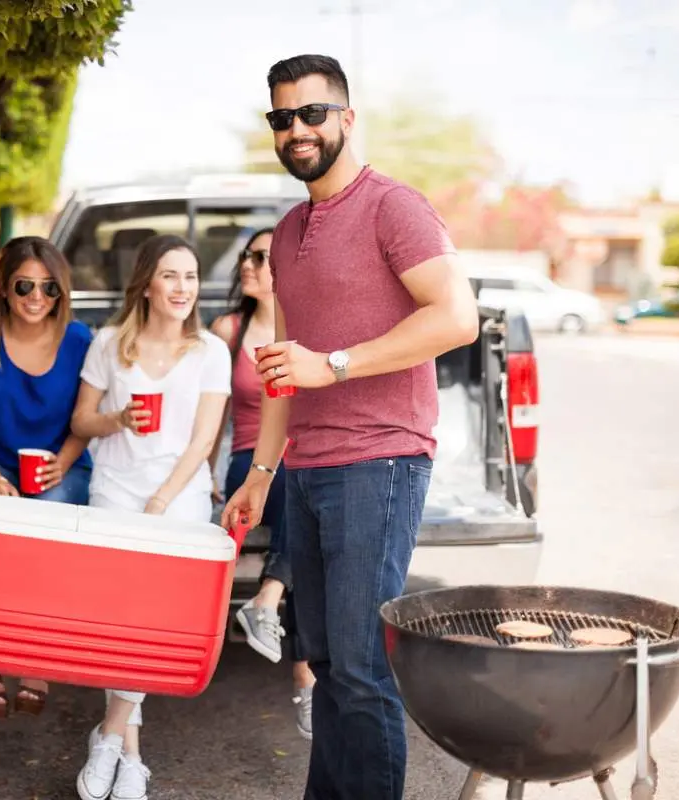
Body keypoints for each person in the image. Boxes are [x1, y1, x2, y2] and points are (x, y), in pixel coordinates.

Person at [221, 55, 479, 800]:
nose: (296, 129)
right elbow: (281, 370)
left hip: (381, 463)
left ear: (346, 118)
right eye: (281, 118)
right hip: (305, 472)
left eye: (311, 113)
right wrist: (261, 480)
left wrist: (332, 365)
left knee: (363, 670)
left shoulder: (393, 207)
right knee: (328, 663)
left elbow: (455, 318)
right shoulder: (291, 229)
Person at [69, 234, 231, 800]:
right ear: (147, 283)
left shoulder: (212, 351)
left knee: (155, 620)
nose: (183, 287)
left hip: (179, 497)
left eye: (190, 276)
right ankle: (129, 752)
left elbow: (204, 439)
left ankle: (110, 734)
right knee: (121, 620)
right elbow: (81, 422)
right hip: (114, 488)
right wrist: (118, 420)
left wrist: (162, 500)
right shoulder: (110, 343)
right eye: (171, 275)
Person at [0, 235, 93, 721]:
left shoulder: (81, 341)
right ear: (4, 288)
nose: (37, 297)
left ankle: (35, 658)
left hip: (59, 465)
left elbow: (88, 419)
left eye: (50, 289)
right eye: (25, 284)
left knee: (47, 528)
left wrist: (65, 461)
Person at [208, 227, 316, 740]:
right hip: (249, 462)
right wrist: (208, 475)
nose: (247, 266)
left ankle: (268, 601)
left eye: (260, 258)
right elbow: (212, 411)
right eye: (246, 257)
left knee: (306, 496)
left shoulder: (312, 331)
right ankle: (306, 680)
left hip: (300, 463)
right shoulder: (227, 330)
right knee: (301, 496)